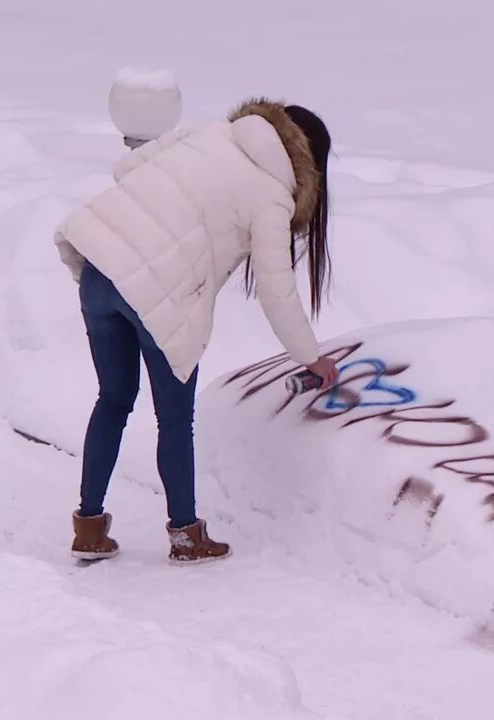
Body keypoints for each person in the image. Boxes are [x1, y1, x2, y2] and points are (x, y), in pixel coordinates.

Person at [53, 97, 341, 565]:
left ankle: (88, 526)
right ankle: (185, 533)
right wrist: (311, 357)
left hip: (99, 269)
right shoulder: (272, 195)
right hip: (156, 294)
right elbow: (276, 291)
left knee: (112, 400)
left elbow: (126, 167)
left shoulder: (209, 133)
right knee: (174, 420)